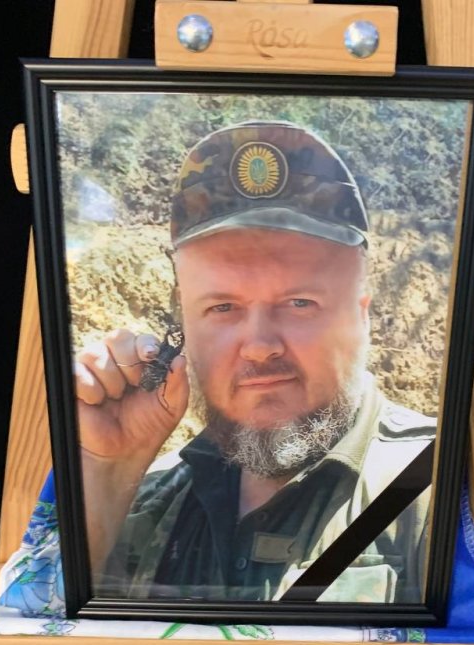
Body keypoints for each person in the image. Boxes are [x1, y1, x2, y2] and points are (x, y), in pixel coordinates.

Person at [75, 121, 436, 604]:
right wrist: (106, 476)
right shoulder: (144, 501)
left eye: (299, 303)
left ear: (362, 316)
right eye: (222, 307)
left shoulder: (440, 491)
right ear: (183, 330)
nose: (260, 346)